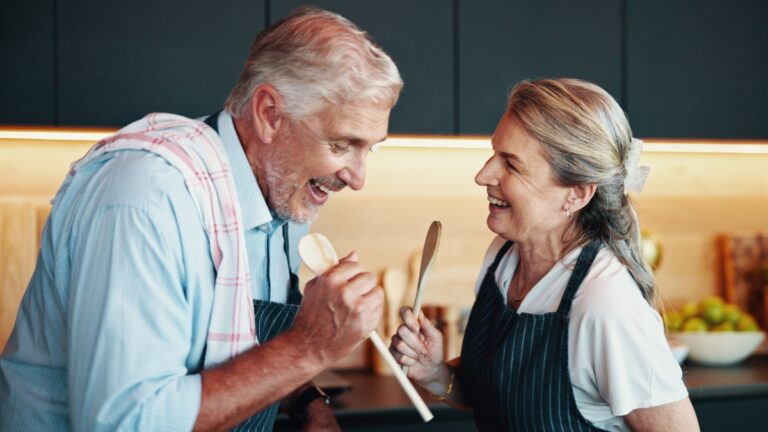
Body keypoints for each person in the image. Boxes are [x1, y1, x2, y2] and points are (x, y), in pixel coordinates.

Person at [0, 7, 402, 431]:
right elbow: (125, 421)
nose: (358, 179)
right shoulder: (149, 197)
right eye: (342, 145)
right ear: (269, 114)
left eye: (369, 149)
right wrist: (310, 348)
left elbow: (246, 348)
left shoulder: (282, 198)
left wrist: (309, 403)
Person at [390, 78, 700, 431]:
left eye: (511, 164)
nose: (482, 175)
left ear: (577, 194)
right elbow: (495, 396)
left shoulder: (605, 305)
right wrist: (435, 372)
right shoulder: (502, 258)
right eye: (493, 154)